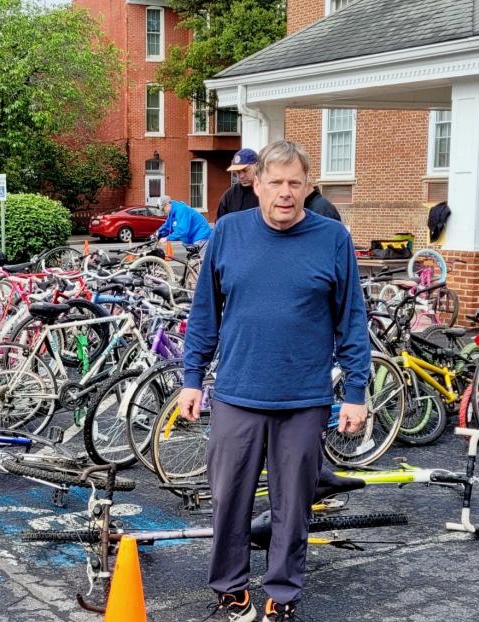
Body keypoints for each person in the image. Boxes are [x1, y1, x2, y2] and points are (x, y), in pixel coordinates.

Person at [180, 140, 370, 621]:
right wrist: (191, 378)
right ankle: (230, 586)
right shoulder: (228, 233)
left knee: (293, 506)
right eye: (275, 182)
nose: (284, 193)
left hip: (303, 398)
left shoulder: (332, 238)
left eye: (294, 183)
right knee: (228, 499)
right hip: (238, 393)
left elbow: (351, 318)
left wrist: (355, 392)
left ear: (308, 187)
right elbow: (205, 312)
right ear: (256, 183)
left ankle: (282, 594)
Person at [217, 147, 343, 223]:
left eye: (294, 183)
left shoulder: (321, 210)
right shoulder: (230, 196)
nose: (285, 193)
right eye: (237, 173)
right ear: (257, 186)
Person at [216, 148, 260, 220]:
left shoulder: (268, 190)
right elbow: (220, 226)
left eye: (245, 170)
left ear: (257, 166)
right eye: (238, 172)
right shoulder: (229, 195)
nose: (241, 176)